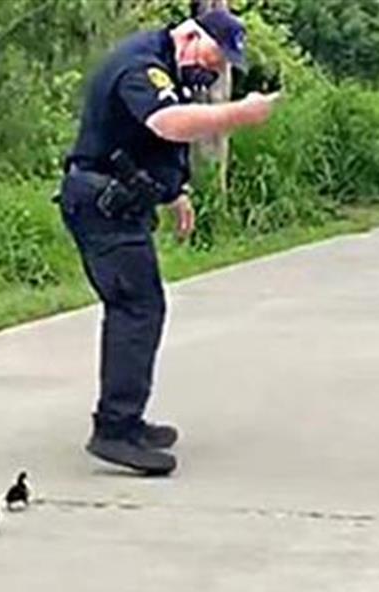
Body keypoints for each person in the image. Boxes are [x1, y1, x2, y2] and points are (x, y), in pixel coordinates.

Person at [57, 8, 280, 475]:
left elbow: (144, 142)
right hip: (101, 207)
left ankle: (128, 420)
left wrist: (174, 191)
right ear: (191, 37)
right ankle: (115, 429)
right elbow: (166, 123)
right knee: (137, 308)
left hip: (119, 202)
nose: (215, 70)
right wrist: (240, 113)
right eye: (215, 58)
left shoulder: (166, 65)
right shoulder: (142, 66)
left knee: (140, 307)